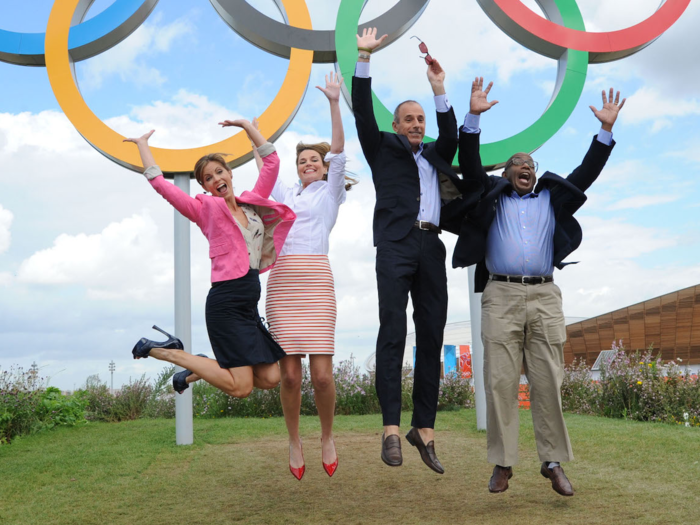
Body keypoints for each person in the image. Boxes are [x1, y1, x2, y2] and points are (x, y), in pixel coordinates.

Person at [455, 78, 625, 496]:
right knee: (499, 381)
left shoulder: (552, 197)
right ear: (507, 173)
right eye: (516, 163)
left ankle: (552, 462)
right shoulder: (490, 197)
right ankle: (502, 464)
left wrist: (605, 131)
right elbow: (472, 165)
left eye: (529, 163)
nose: (524, 167)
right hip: (500, 295)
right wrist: (473, 116)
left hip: (546, 295)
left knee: (548, 380)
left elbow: (586, 173)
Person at [352, 28, 477, 474]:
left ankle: (423, 429)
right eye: (409, 119)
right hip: (394, 244)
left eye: (420, 119)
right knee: (393, 332)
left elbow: (450, 132)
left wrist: (439, 88)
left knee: (432, 334)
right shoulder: (380, 148)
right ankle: (389, 428)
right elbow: (363, 113)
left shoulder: (436, 155)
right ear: (396, 126)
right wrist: (364, 58)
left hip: (431, 246)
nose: (416, 124)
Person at [126, 120, 295, 400]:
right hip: (226, 303)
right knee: (242, 388)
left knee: (270, 377)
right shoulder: (205, 210)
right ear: (204, 186)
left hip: (249, 302)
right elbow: (161, 186)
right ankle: (166, 351)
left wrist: (245, 127)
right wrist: (143, 147)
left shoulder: (252, 203)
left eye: (219, 172)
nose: (216, 179)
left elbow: (272, 162)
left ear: (230, 173)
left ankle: (199, 366)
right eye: (208, 177)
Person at [258, 72, 355, 480]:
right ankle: (295, 440)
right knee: (291, 375)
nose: (308, 164)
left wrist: (334, 101)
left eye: (313, 160)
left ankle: (327, 437)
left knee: (321, 375)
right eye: (303, 162)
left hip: (316, 278)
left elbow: (338, 148)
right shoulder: (287, 194)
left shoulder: (329, 192)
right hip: (282, 280)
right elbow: (268, 165)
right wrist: (253, 133)